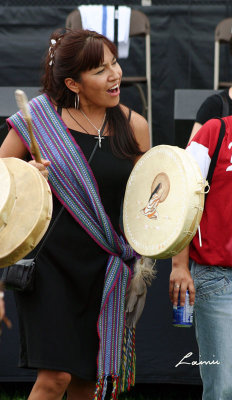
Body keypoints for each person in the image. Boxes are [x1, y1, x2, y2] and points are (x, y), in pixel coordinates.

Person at [0, 29, 150, 400]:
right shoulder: (37, 121)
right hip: (50, 266)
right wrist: (28, 179)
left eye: (114, 63)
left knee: (89, 381)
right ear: (73, 83)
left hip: (106, 269)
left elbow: (149, 199)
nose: (114, 75)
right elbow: (2, 184)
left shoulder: (134, 126)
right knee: (55, 379)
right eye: (100, 70)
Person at [169, 111, 232, 400]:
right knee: (222, 387)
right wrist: (179, 265)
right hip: (217, 277)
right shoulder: (214, 131)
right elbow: (180, 194)